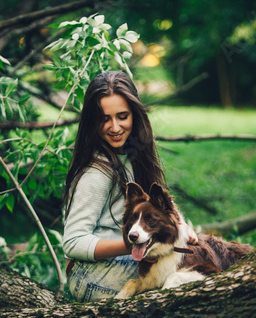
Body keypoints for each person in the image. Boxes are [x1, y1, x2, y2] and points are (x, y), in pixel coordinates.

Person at [63, 71, 196, 302]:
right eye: (104, 119)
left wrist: (182, 231)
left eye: (122, 116)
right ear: (92, 122)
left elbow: (156, 213)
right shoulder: (96, 174)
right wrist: (132, 244)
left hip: (129, 257)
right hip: (91, 274)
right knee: (182, 277)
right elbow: (73, 242)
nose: (114, 127)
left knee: (194, 259)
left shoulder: (132, 156)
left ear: (135, 115)